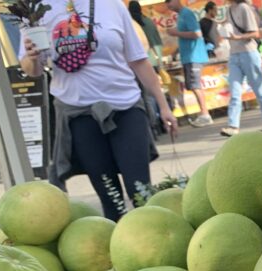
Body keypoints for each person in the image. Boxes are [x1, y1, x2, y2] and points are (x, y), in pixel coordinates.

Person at [19, 0, 177, 220]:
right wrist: (32, 57)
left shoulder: (112, 5)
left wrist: (163, 105)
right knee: (109, 197)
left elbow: (139, 60)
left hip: (125, 106)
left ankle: (155, 241)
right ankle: (121, 249)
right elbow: (32, 70)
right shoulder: (35, 9)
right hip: (79, 114)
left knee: (141, 191)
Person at [222, 0, 262, 135]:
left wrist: (237, 37)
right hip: (234, 54)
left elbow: (256, 33)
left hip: (248, 52)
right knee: (234, 91)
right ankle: (233, 126)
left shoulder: (244, 8)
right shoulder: (229, 10)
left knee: (259, 90)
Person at [165, 0, 213, 127]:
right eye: (166, 2)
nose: (168, 5)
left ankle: (205, 114)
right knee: (193, 85)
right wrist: (174, 53)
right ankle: (203, 113)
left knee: (196, 85)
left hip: (194, 56)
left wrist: (176, 33)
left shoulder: (187, 13)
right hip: (188, 57)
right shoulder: (181, 15)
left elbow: (197, 33)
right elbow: (185, 36)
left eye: (169, 1)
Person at [128, 1, 164, 68]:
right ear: (140, 9)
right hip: (153, 60)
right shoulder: (149, 22)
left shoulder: (130, 25)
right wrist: (160, 64)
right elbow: (157, 43)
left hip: (138, 63)